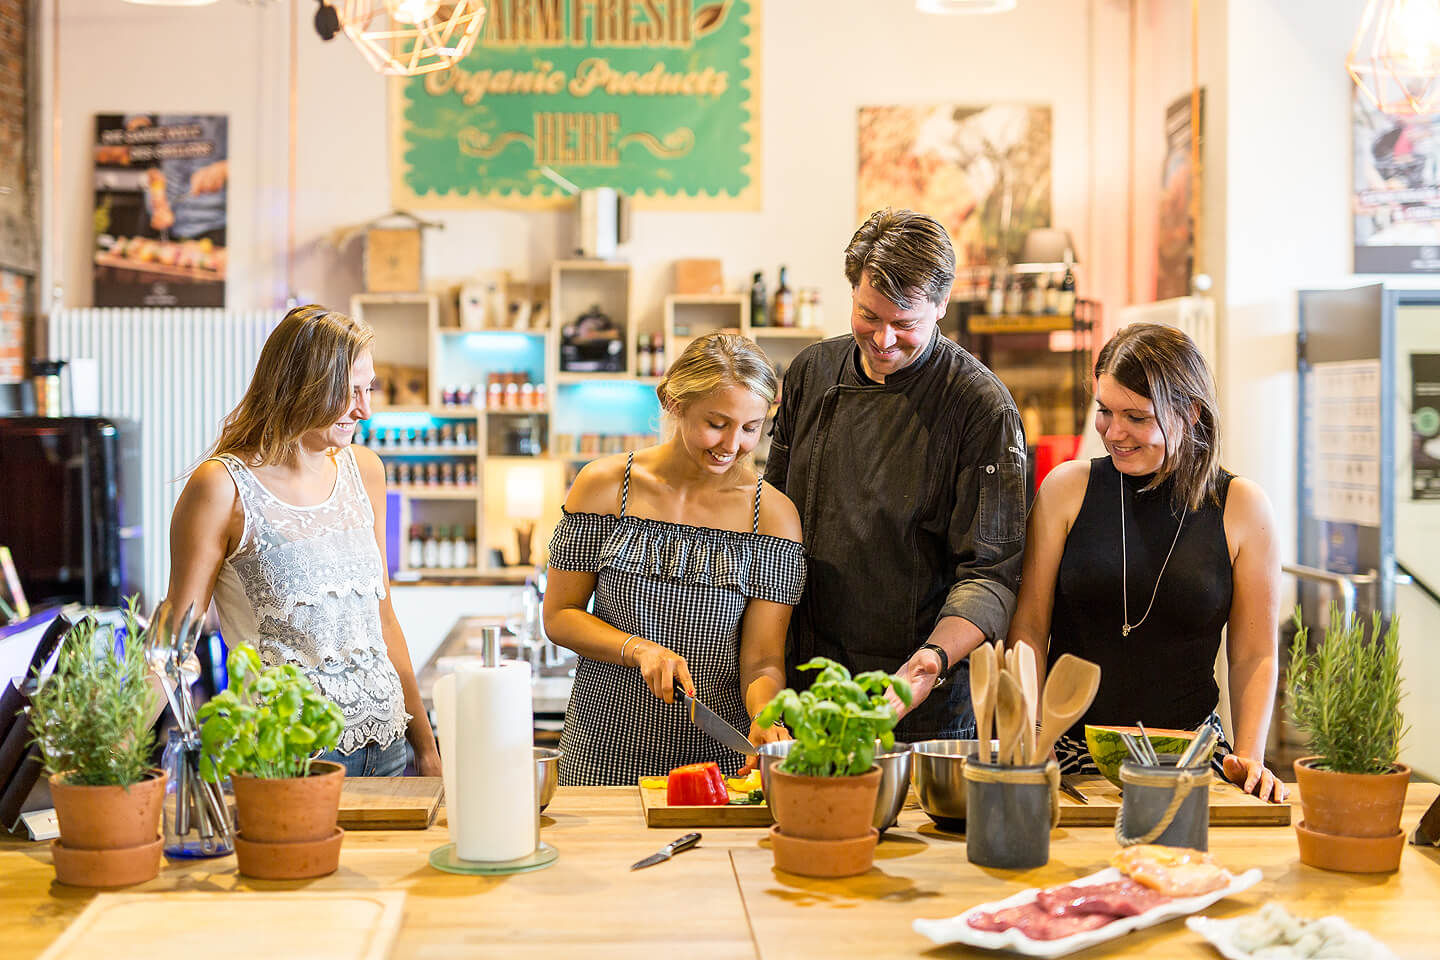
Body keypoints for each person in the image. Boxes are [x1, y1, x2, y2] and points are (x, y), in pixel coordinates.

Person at [764, 208, 1026, 742]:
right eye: (869, 316)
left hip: (919, 702)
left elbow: (991, 574)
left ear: (942, 306)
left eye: (905, 325)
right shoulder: (812, 373)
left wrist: (931, 661)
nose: (884, 339)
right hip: (807, 684)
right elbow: (769, 523)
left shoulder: (981, 407)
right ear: (852, 292)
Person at [1007, 322, 1286, 801]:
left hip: (1189, 759)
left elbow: (1253, 655)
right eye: (1104, 411)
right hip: (1066, 756)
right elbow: (1029, 628)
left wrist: (1250, 756)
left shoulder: (1242, 507)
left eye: (1136, 417)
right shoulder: (1066, 491)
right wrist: (1033, 731)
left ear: (1191, 413)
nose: (1114, 433)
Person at [166, 305, 441, 778]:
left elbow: (383, 620)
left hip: (390, 746)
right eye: (349, 392)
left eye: (369, 388)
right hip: (291, 759)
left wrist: (427, 748)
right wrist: (110, 763)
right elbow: (174, 643)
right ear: (302, 385)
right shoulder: (222, 486)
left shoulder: (365, 470)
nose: (365, 409)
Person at [543, 334, 806, 785]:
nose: (732, 444)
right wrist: (638, 649)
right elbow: (560, 615)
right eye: (717, 423)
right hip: (602, 749)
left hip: (718, 761)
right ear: (673, 401)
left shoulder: (772, 515)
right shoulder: (606, 486)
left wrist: (766, 716)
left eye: (750, 428)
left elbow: (762, 659)